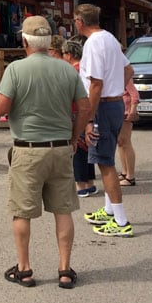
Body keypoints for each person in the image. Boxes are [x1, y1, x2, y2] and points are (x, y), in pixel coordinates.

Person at [0, 15, 90, 290]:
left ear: (24, 41)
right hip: (60, 148)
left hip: (27, 149)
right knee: (63, 210)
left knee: (21, 212)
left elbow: (0, 108)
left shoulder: (15, 70)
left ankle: (24, 269)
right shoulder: (67, 70)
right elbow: (84, 107)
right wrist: (74, 137)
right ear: (49, 42)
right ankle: (65, 269)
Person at [73, 3, 135, 237]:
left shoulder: (93, 44)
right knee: (105, 157)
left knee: (105, 163)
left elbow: (96, 84)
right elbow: (129, 70)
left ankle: (121, 221)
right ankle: (110, 210)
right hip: (114, 102)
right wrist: (117, 87)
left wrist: (88, 116)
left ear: (80, 21)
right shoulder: (109, 38)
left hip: (103, 106)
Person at [62, 36, 97, 197]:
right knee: (87, 147)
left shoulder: (72, 71)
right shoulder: (85, 68)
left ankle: (81, 184)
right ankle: (89, 182)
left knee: (77, 148)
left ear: (69, 54)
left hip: (77, 112)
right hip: (87, 110)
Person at [117, 73, 140, 187]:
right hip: (119, 111)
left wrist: (132, 111)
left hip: (126, 112)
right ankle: (124, 172)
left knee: (126, 142)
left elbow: (134, 94)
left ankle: (130, 176)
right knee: (120, 142)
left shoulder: (123, 74)